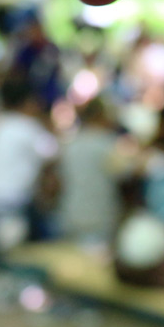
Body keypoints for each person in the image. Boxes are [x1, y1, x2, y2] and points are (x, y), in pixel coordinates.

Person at [0, 76, 58, 259]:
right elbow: (54, 155)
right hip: (15, 203)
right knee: (53, 232)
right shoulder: (28, 127)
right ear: (27, 102)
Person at [58, 97, 123, 246]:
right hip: (99, 216)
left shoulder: (71, 144)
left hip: (69, 213)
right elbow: (124, 174)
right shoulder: (106, 144)